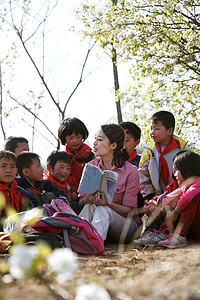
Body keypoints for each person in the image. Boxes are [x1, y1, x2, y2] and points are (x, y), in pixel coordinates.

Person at [78, 123, 142, 244]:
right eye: (95, 138)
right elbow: (81, 202)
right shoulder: (92, 166)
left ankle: (93, 244)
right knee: (89, 206)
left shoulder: (130, 171)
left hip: (127, 227)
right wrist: (87, 199)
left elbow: (129, 211)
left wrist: (108, 203)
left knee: (103, 209)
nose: (95, 143)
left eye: (100, 139)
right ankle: (78, 239)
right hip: (101, 223)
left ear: (113, 145)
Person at [143, 151, 200, 248]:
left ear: (186, 170)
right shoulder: (184, 186)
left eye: (176, 170)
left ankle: (180, 236)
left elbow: (186, 199)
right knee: (174, 198)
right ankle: (165, 232)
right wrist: (169, 211)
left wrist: (176, 212)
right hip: (195, 228)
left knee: (190, 199)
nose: (174, 174)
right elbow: (166, 198)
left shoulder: (197, 183)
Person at [139, 110, 189, 203]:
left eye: (156, 129)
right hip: (156, 198)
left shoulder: (183, 149)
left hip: (180, 196)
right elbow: (143, 176)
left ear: (169, 131)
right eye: (151, 128)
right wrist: (150, 197)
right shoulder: (149, 152)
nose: (152, 132)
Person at [58, 117, 95, 194]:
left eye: (78, 137)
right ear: (64, 138)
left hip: (87, 195)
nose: (75, 141)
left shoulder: (89, 156)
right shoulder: (61, 157)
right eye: (71, 138)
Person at [0, 150, 29, 229]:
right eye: (3, 166)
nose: (8, 170)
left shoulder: (22, 193)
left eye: (12, 167)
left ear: (16, 171)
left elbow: (28, 215)